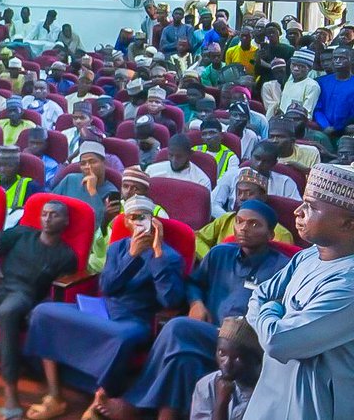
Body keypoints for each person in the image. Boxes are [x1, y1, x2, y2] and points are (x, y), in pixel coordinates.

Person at [104, 199, 287, 419]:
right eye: (239, 221)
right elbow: (194, 283)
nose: (243, 228)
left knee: (177, 327)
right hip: (210, 333)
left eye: (254, 224)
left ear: (270, 234)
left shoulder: (282, 268)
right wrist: (196, 303)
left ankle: (134, 401)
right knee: (183, 360)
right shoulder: (220, 254)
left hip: (245, 344)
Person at [24, 196, 186, 420]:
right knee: (43, 312)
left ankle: (98, 401)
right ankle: (54, 395)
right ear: (126, 222)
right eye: (132, 218)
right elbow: (107, 287)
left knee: (120, 338)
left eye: (143, 217)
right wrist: (132, 256)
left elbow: (170, 301)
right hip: (103, 309)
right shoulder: (119, 247)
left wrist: (157, 255)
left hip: (134, 319)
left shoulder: (169, 256)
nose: (138, 222)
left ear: (153, 221)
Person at [243, 163, 354, 420]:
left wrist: (272, 307)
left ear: (348, 224)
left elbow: (278, 341)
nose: (298, 211)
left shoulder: (348, 284)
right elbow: (258, 293)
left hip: (314, 408)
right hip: (271, 398)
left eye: (311, 207)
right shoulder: (307, 256)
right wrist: (274, 314)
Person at [0, 199, 78, 419]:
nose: (47, 218)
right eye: (44, 214)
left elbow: (60, 291)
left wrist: (41, 307)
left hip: (24, 296)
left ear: (65, 221)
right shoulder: (22, 234)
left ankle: (12, 399)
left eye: (54, 215)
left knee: (8, 312)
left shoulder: (65, 255)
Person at [196, 168, 295, 258]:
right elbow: (197, 238)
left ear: (263, 196)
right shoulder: (226, 219)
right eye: (239, 192)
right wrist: (211, 258)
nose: (242, 197)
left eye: (249, 193)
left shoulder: (280, 234)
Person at [190, 317, 263, 420]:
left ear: (257, 359)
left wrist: (221, 404)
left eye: (237, 357)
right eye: (222, 353)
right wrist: (221, 401)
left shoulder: (267, 392)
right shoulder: (206, 386)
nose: (227, 363)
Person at [212, 145, 302, 219]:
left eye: (266, 161)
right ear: (251, 156)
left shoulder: (286, 183)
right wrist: (233, 220)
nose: (259, 164)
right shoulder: (232, 175)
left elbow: (298, 210)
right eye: (257, 158)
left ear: (274, 163)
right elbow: (213, 204)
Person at [0, 145, 36, 228]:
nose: (2, 169)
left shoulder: (28, 185)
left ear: (17, 167)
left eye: (8, 166)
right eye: (0, 165)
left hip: (12, 230)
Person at [148, 133, 214, 190]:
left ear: (189, 154)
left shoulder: (201, 181)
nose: (174, 160)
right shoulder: (152, 170)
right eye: (171, 155)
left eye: (179, 157)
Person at [315, 47, 354, 137]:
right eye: (335, 58)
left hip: (346, 132)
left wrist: (338, 128)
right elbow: (317, 108)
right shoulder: (321, 82)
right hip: (322, 130)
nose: (337, 61)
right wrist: (325, 125)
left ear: (351, 60)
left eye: (342, 58)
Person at [280, 49, 321, 118]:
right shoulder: (288, 83)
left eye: (301, 66)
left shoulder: (312, 86)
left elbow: (307, 113)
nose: (296, 69)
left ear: (309, 69)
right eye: (293, 65)